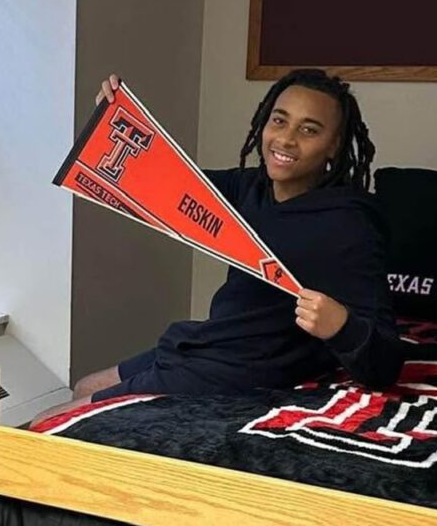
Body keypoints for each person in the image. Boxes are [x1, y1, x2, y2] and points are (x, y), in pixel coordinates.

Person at [32, 69, 403, 426]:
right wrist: (112, 119)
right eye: (279, 121)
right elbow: (166, 185)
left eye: (309, 130)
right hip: (203, 342)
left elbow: (385, 364)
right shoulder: (249, 188)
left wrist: (340, 326)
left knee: (48, 420)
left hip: (243, 370)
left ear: (334, 147)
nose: (287, 139)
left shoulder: (350, 225)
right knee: (84, 385)